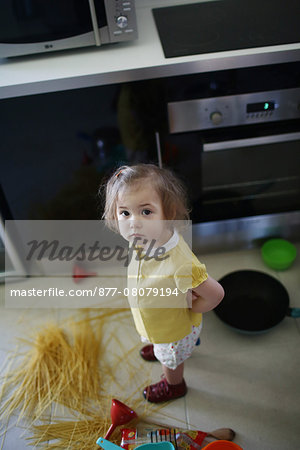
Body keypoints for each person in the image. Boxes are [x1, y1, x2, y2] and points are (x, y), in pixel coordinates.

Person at [101, 163, 224, 403]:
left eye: (146, 212)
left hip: (174, 331)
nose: (133, 222)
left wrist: (190, 310)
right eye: (125, 213)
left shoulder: (179, 264)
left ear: (167, 212)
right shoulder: (143, 238)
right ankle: (158, 345)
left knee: (172, 361)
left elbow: (216, 295)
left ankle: (174, 385)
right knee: (163, 347)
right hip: (159, 321)